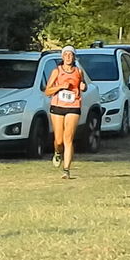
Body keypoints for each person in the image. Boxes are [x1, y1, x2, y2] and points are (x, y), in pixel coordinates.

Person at [44, 45, 86, 179]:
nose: (68, 57)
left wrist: (83, 86)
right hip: (57, 106)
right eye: (66, 54)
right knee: (59, 140)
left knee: (68, 139)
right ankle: (57, 152)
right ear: (62, 57)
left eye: (71, 54)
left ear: (74, 57)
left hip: (73, 106)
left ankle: (66, 170)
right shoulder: (57, 71)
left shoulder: (79, 72)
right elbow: (47, 91)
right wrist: (61, 86)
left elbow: (83, 85)